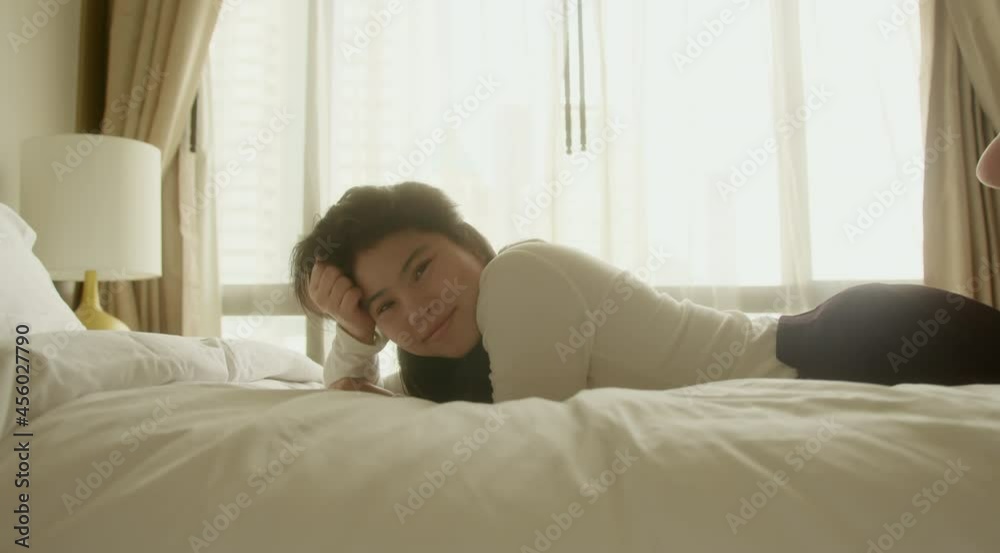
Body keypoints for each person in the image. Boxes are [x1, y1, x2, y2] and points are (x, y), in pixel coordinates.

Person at [290, 182, 1000, 403]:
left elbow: (520, 432)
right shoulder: (453, 359)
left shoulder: (517, 278)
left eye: (422, 268)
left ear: (471, 248)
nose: (416, 308)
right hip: (834, 348)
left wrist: (367, 346)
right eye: (383, 305)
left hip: (860, 343)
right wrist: (352, 337)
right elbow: (353, 406)